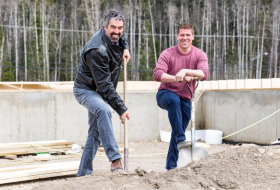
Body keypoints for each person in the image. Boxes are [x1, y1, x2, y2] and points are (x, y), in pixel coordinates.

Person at [73, 9, 130, 176]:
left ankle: (83, 174)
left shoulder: (117, 36)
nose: (117, 31)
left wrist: (125, 48)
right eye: (113, 27)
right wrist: (121, 109)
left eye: (120, 27)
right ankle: (115, 159)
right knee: (103, 110)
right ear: (104, 27)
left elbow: (122, 37)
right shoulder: (96, 49)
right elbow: (105, 86)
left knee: (95, 135)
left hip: (100, 91)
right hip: (86, 90)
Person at [153, 23, 209, 170]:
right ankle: (180, 139)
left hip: (186, 98)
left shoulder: (199, 54)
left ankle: (171, 167)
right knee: (174, 101)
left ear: (193, 37)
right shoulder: (167, 53)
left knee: (177, 133)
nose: (185, 38)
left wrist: (186, 71)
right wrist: (177, 78)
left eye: (188, 35)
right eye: (182, 35)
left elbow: (204, 74)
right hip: (165, 94)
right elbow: (157, 74)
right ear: (177, 36)